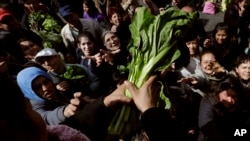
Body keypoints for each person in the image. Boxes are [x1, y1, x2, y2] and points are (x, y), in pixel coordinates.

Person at [16, 66, 132, 141]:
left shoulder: (61, 91)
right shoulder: (33, 107)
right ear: (28, 91)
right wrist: (64, 111)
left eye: (46, 81)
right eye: (37, 87)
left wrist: (85, 102)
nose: (45, 88)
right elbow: (46, 117)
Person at [34, 48, 101, 99]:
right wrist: (56, 90)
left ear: (58, 57)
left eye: (48, 59)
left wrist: (89, 94)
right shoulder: (46, 79)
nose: (47, 63)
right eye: (42, 62)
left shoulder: (77, 68)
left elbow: (95, 80)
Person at [198, 76, 250, 141]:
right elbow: (206, 123)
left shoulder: (240, 101)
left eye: (234, 96)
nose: (230, 100)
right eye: (227, 95)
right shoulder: (209, 101)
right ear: (219, 91)